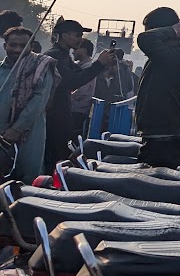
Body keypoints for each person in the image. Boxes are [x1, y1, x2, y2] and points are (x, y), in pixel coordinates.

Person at [44, 18, 116, 168]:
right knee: (54, 156)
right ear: (64, 35)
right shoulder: (55, 55)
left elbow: (80, 74)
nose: (80, 39)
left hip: (61, 112)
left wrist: (101, 64)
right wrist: (98, 64)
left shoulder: (64, 55)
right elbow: (72, 82)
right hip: (53, 113)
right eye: (77, 35)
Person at [135, 7, 180, 167]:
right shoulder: (169, 54)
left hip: (163, 143)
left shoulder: (176, 57)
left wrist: (172, 30)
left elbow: (145, 39)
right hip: (158, 137)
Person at [0, 26, 56, 182]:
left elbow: (39, 102)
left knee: (28, 178)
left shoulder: (40, 68)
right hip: (1, 134)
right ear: (5, 46)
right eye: (13, 45)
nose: (17, 49)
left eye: (23, 45)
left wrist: (16, 129)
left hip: (29, 133)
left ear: (32, 46)